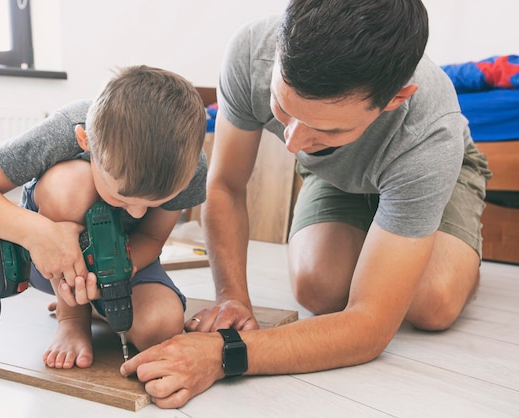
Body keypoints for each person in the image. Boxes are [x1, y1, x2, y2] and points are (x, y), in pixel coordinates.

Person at [120, 0, 491, 409]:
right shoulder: (250, 51)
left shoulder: (430, 134)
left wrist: (226, 354)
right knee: (319, 288)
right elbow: (225, 185)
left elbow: (370, 327)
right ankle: (382, 234)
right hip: (336, 176)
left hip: (436, 175)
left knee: (432, 302)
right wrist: (233, 299)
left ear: (395, 100)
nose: (293, 144)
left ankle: (443, 248)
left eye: (324, 128)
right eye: (283, 110)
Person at [0, 65, 207, 369]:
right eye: (122, 197)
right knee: (69, 186)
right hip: (47, 259)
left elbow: (152, 237)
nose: (136, 212)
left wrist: (116, 271)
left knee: (161, 326)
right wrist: (37, 234)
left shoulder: (189, 162)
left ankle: (96, 303)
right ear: (86, 141)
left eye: (153, 203)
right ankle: (72, 317)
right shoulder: (69, 128)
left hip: (127, 260)